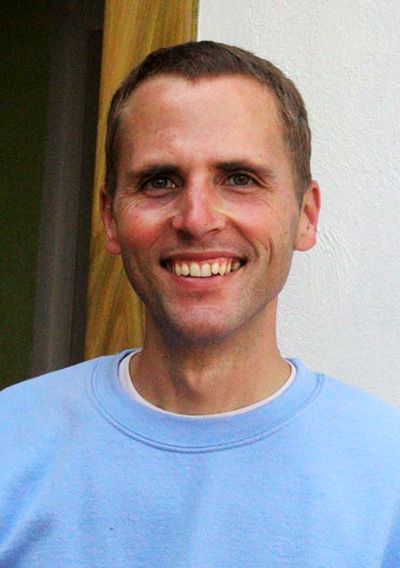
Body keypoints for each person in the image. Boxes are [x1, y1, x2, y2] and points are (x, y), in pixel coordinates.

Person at [1, 41, 399, 567]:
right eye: (159, 181)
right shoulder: (9, 444)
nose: (196, 219)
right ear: (110, 218)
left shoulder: (388, 475)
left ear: (306, 214)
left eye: (239, 179)